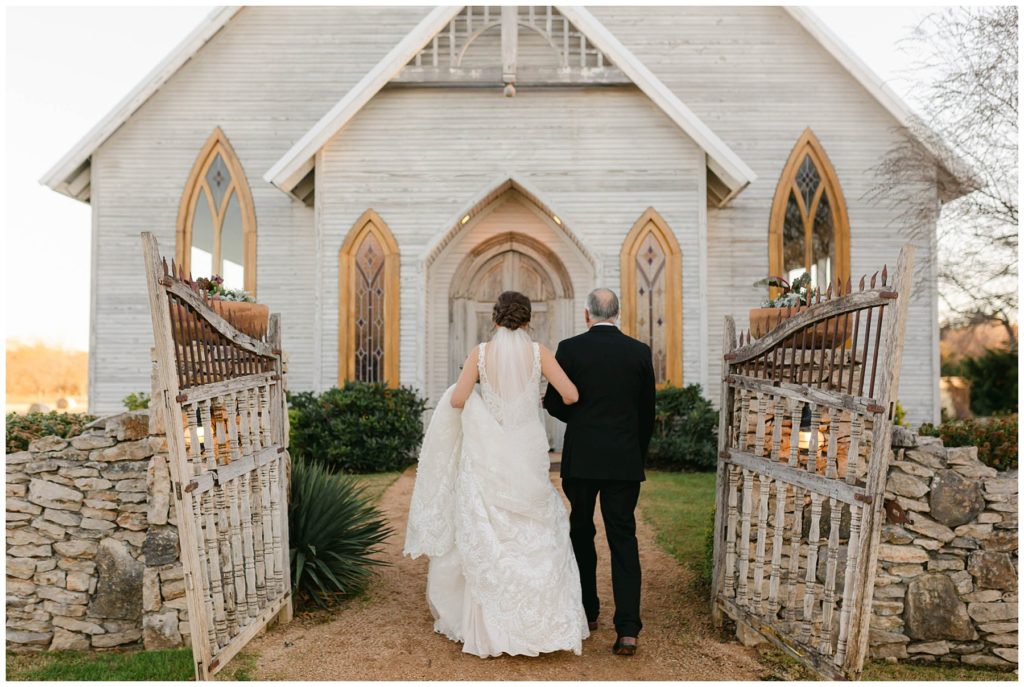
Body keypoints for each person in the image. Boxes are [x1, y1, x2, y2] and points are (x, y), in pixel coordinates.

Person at [404, 290, 590, 658]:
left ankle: (489, 624)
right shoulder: (540, 353)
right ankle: (541, 619)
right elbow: (570, 395)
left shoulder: (480, 354)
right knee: (535, 525)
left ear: (495, 318)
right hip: (527, 446)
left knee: (488, 526)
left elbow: (458, 400)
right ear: (527, 319)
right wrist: (537, 398)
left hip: (489, 449)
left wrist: (481, 406)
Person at [542, 288, 656, 657]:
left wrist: (580, 421)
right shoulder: (638, 352)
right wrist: (634, 455)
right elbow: (647, 414)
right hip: (623, 461)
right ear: (617, 313)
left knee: (581, 532)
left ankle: (587, 612)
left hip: (584, 460)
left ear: (587, 315)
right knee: (624, 538)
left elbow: (554, 403)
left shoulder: (570, 349)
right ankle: (627, 629)